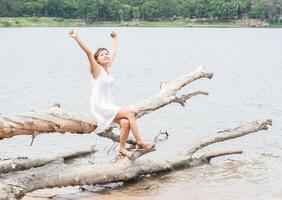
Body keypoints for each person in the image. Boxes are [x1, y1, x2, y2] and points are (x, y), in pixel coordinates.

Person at [69, 29, 155, 158]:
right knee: (130, 112)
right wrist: (76, 37)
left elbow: (114, 52)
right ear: (96, 60)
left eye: (106, 54)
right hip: (101, 107)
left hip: (109, 106)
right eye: (102, 55)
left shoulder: (107, 68)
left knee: (125, 123)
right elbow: (88, 52)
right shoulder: (97, 70)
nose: (106, 55)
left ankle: (121, 148)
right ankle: (140, 142)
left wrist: (114, 38)